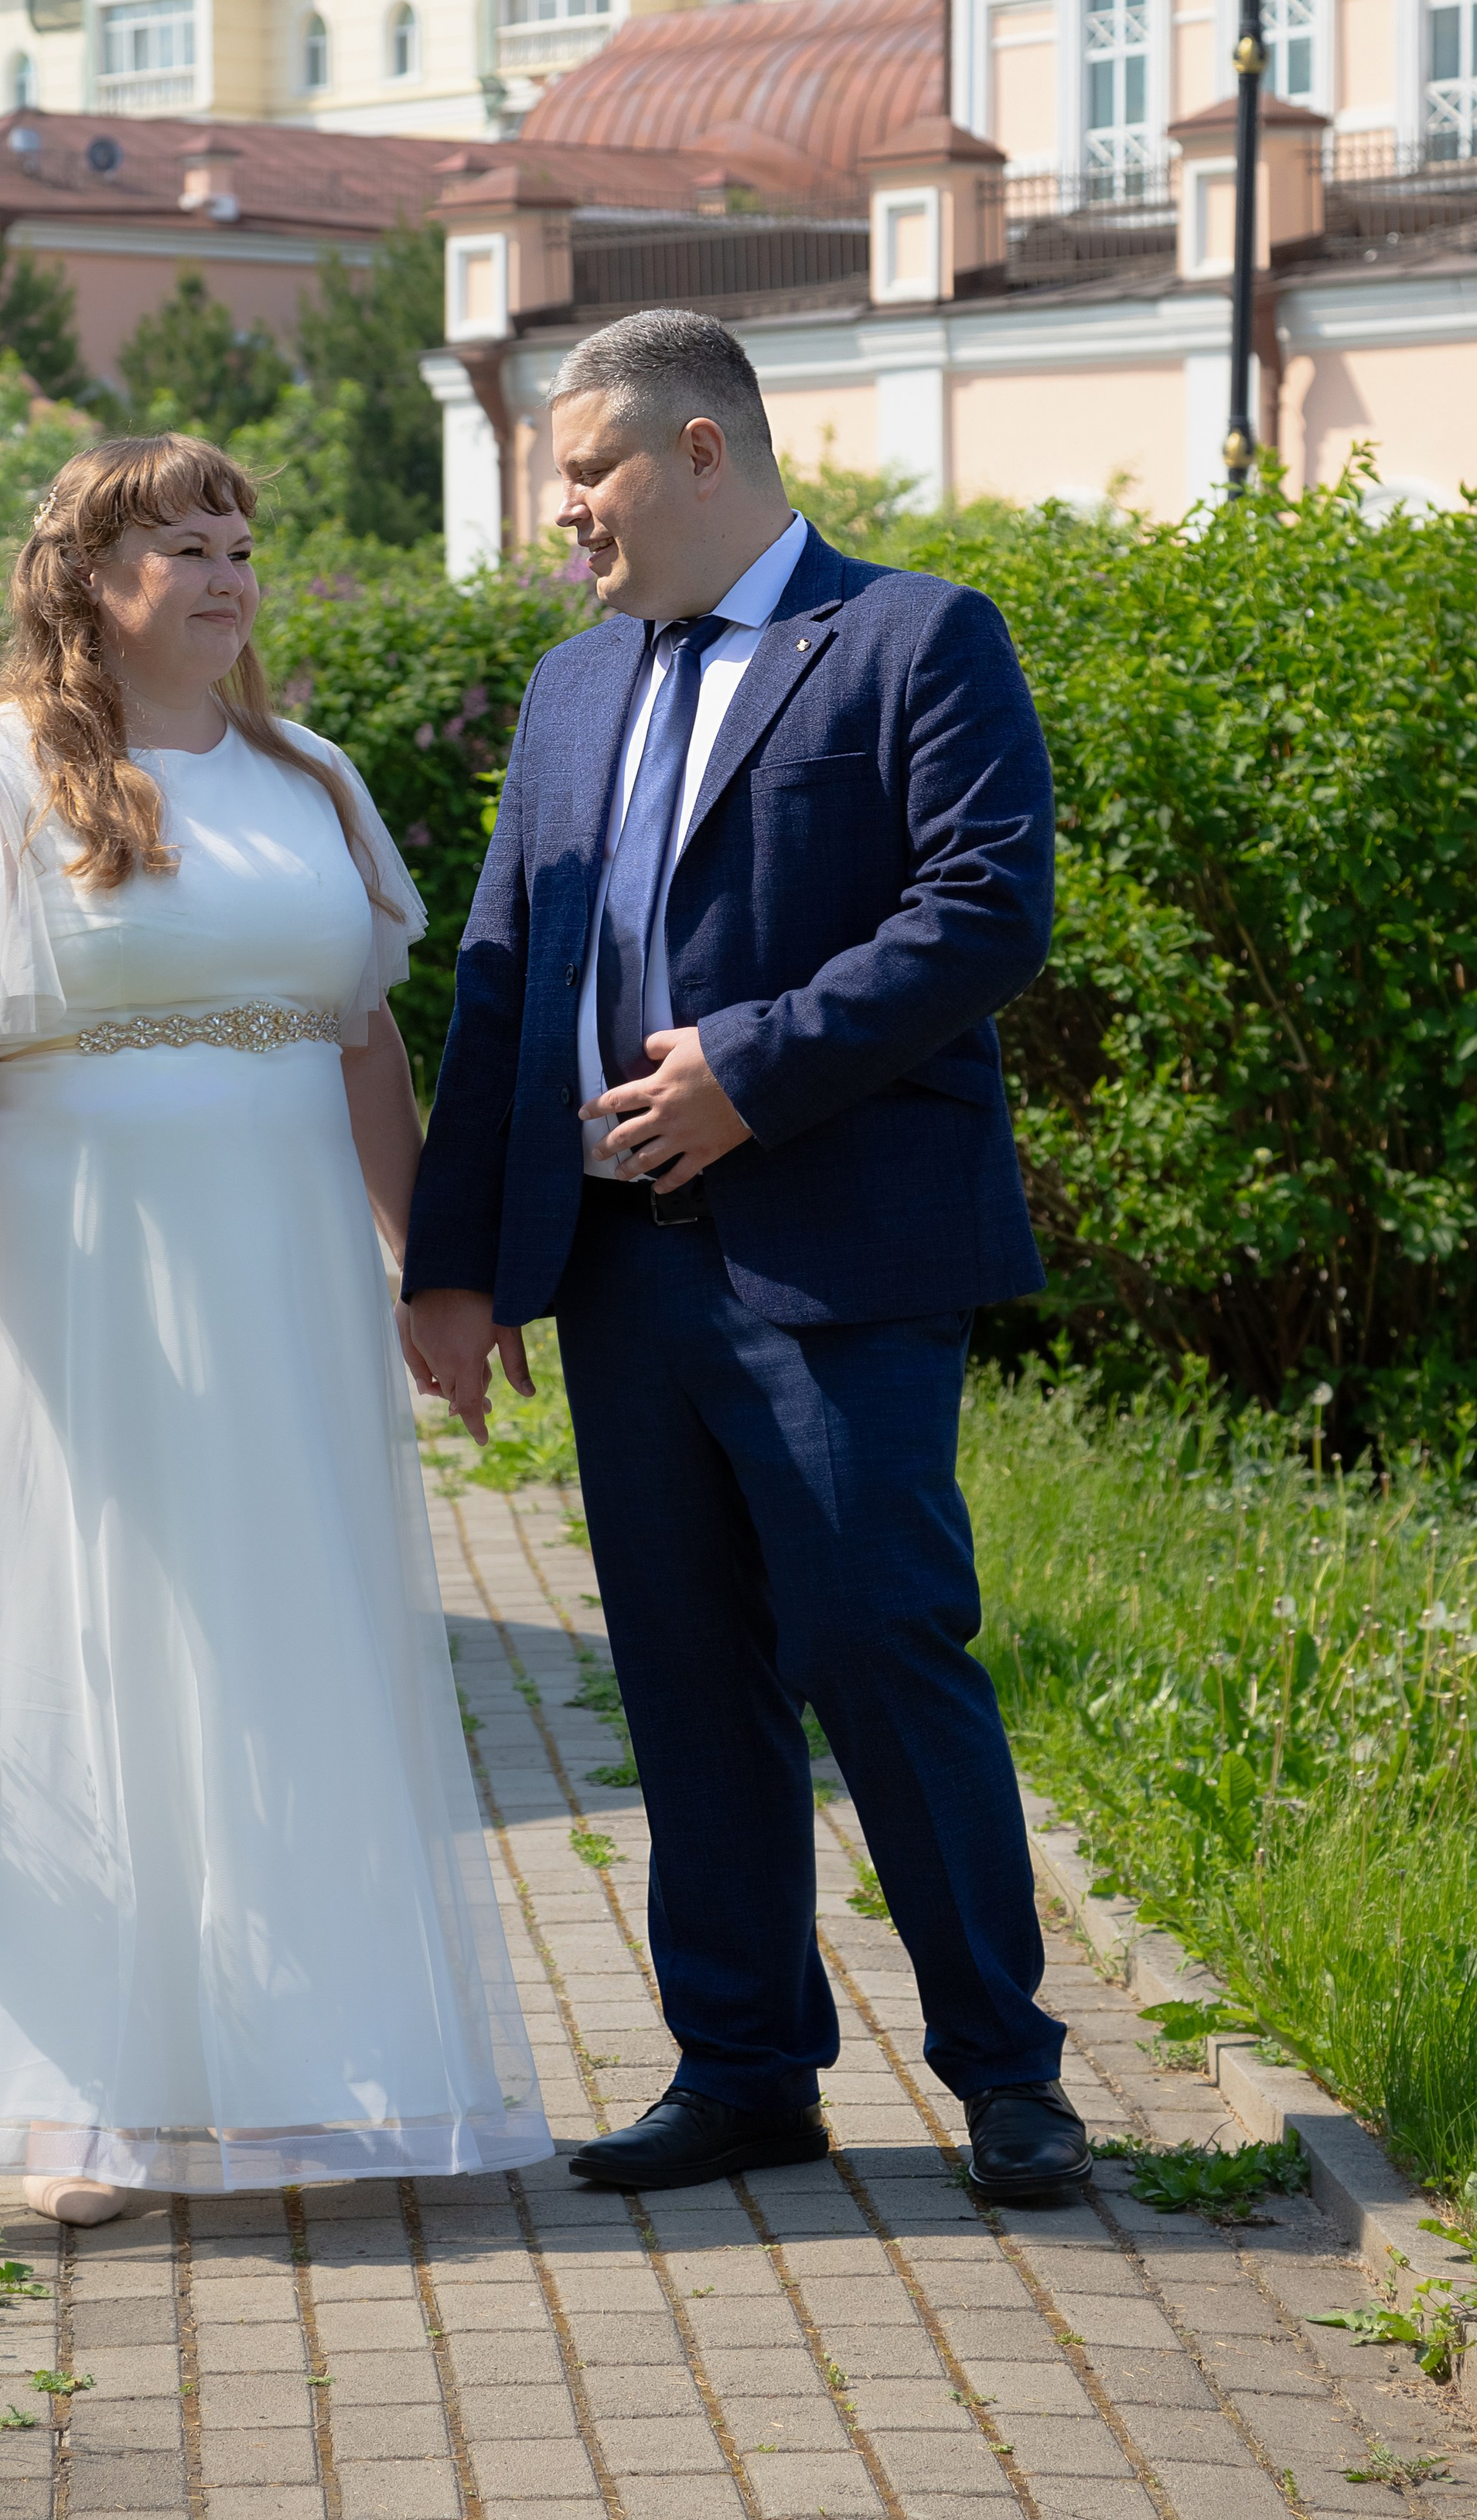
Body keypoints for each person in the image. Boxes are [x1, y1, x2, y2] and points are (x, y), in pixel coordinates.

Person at [0, 435, 551, 2218]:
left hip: (280, 1289)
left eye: (239, 540)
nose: (223, 572)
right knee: (47, 1655)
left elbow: (369, 1049)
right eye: (179, 546)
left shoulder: (315, 782)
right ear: (85, 580)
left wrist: (428, 1269)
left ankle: (274, 2067)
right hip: (58, 1280)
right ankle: (56, 2098)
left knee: (271, 1650)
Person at [400, 310, 1090, 2204]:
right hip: (616, 1266)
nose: (566, 518)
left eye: (588, 474)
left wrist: (746, 1074)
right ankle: (742, 2068)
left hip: (840, 1250)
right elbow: (500, 977)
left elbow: (983, 906)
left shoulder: (910, 637)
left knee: (876, 1639)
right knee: (683, 1672)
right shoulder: (564, 689)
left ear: (706, 450)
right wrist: (451, 1261)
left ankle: (1009, 2075)